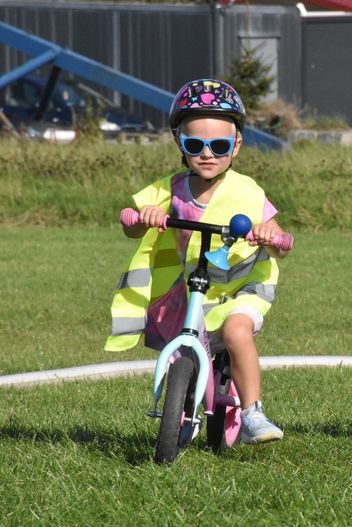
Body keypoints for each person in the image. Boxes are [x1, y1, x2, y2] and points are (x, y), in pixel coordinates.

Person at [106, 79, 290, 444]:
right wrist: (142, 217)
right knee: (184, 346)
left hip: (242, 285)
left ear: (236, 145)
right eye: (195, 145)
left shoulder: (247, 190)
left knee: (237, 332)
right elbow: (132, 227)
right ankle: (185, 408)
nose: (207, 155)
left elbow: (281, 244)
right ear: (179, 143)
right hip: (195, 288)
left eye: (219, 145)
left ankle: (253, 411)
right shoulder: (168, 189)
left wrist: (272, 236)